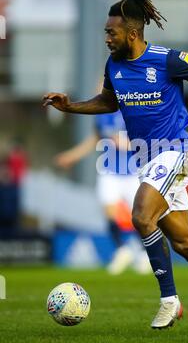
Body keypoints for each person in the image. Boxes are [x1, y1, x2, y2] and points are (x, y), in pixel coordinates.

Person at [43, 0, 188, 331]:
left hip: (176, 153)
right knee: (185, 244)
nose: (106, 38)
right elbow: (107, 102)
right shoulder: (113, 65)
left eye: (111, 33)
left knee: (141, 216)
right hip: (147, 161)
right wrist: (70, 107)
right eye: (105, 32)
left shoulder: (168, 60)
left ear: (132, 34)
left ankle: (169, 301)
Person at [54, 112, 151, 274]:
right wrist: (72, 156)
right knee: (109, 213)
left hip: (133, 172)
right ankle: (122, 251)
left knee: (140, 216)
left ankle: (144, 254)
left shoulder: (132, 108)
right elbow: (94, 139)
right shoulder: (102, 116)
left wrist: (128, 144)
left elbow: (149, 139)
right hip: (109, 172)